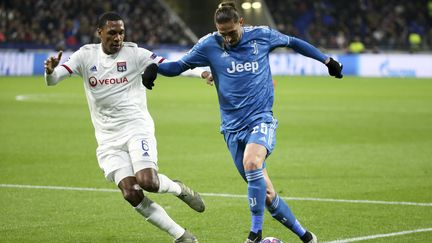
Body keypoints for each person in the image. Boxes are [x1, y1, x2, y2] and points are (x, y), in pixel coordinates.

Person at [142, 2, 343, 243]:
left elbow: (293, 42)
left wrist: (326, 60)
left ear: (241, 23)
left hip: (260, 120)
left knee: (251, 163)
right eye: (222, 33)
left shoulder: (262, 36)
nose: (227, 38)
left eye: (231, 32)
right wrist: (156, 68)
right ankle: (308, 237)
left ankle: (255, 234)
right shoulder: (209, 44)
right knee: (266, 194)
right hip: (231, 129)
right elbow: (179, 66)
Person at [43, 12, 211, 243]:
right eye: (112, 32)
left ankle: (179, 189)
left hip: (136, 128)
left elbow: (170, 65)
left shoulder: (134, 53)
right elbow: (54, 80)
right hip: (108, 139)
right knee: (131, 193)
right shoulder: (85, 55)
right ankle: (181, 236)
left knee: (148, 182)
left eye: (121, 32)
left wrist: (202, 72)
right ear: (99, 32)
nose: (118, 37)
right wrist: (50, 71)